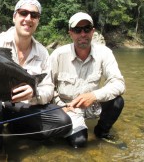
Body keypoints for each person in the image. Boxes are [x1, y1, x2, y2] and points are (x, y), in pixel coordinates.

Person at [0, 0, 72, 161]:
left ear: (38, 21)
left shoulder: (43, 52)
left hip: (23, 107)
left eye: (34, 15)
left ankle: (14, 128)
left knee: (64, 122)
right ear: (14, 16)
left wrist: (34, 93)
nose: (28, 18)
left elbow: (48, 88)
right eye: (23, 13)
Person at [50, 12, 125, 148]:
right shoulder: (58, 55)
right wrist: (60, 105)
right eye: (77, 30)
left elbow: (119, 83)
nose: (83, 34)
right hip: (68, 107)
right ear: (70, 33)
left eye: (87, 29)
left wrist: (94, 95)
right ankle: (66, 129)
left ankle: (101, 132)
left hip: (92, 105)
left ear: (93, 31)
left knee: (117, 101)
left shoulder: (105, 53)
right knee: (79, 143)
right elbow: (47, 85)